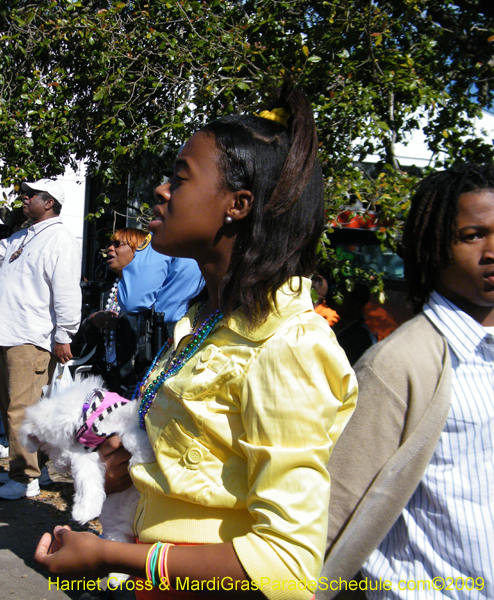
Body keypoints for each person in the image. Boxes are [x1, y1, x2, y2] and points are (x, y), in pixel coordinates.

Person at [34, 82, 358, 600]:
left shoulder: (288, 346)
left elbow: (287, 564)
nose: (162, 191)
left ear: (238, 204)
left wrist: (110, 555)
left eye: (180, 177)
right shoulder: (205, 320)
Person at [320, 163, 494, 600]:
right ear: (433, 247)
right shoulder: (399, 365)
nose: (492, 250)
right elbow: (334, 515)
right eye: (472, 235)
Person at [0, 179, 82, 500]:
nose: (24, 197)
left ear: (49, 203)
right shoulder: (22, 237)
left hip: (31, 337)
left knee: (20, 410)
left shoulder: (60, 239)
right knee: (20, 408)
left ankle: (25, 477)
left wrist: (64, 335)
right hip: (7, 335)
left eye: (31, 194)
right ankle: (38, 470)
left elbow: (66, 292)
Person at [83, 227, 147, 395]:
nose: (110, 249)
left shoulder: (149, 294)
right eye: (111, 244)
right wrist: (92, 322)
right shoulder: (105, 292)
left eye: (118, 244)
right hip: (103, 380)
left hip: (135, 383)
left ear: (137, 250)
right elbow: (87, 341)